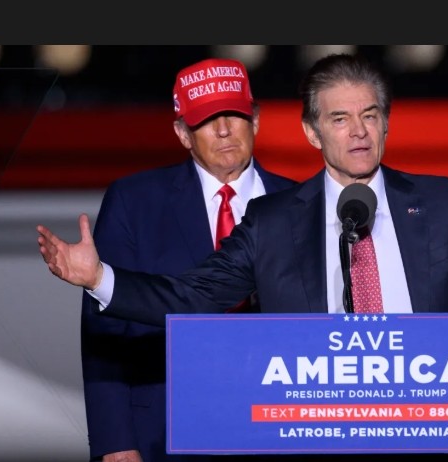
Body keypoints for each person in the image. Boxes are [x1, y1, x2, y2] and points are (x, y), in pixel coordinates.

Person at [39, 54, 448, 462]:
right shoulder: (272, 222)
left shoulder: (440, 205)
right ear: (309, 130)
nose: (357, 132)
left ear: (386, 123)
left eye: (370, 115)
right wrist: (98, 278)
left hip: (435, 439)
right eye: (339, 118)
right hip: (315, 444)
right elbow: (192, 299)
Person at [79, 57, 297, 462]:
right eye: (207, 119)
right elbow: (103, 331)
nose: (224, 129)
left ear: (257, 119)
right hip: (164, 434)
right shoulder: (135, 202)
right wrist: (114, 442)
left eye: (234, 113)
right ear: (182, 133)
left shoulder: (302, 204)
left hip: (278, 431)